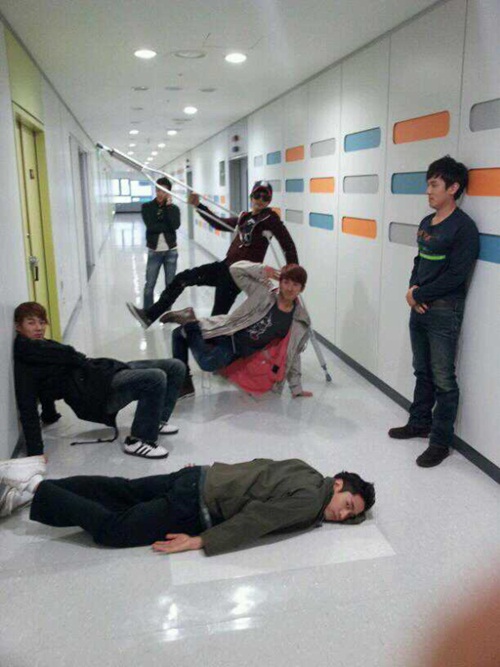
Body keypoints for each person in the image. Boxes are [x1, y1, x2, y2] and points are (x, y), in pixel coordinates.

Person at [0, 455, 375, 556]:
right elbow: (258, 518)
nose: (342, 514)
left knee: (120, 490)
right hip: (195, 504)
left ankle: (28, 486)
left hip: (198, 476)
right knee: (116, 529)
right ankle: (35, 486)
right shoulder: (311, 501)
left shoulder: (306, 470)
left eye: (350, 515)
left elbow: (258, 467)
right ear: (337, 484)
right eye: (347, 504)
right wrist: (201, 540)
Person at [388, 156, 479, 468]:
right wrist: (413, 289)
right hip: (420, 305)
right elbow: (420, 260)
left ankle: (440, 442)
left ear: (453, 188)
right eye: (428, 184)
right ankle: (419, 423)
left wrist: (419, 295)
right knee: (422, 370)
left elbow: (456, 275)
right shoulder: (427, 223)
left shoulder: (464, 228)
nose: (428, 191)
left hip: (443, 310)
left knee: (443, 378)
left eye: (434, 185)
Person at [14, 302, 186, 460]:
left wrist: (49, 415)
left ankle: (156, 421)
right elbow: (27, 407)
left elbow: (49, 389)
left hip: (101, 372)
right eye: (31, 323)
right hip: (97, 393)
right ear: (18, 326)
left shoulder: (41, 345)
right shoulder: (27, 363)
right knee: (156, 377)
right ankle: (139, 440)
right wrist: (36, 454)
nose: (39, 328)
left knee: (176, 366)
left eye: (41, 322)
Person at [126, 180, 299, 326]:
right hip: (224, 267)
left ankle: (201, 334)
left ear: (269, 200)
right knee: (181, 279)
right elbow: (218, 223)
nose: (260, 200)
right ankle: (150, 316)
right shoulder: (244, 217)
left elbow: (288, 245)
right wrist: (199, 206)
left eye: (265, 197)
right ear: (251, 196)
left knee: (215, 321)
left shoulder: (270, 219)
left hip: (237, 276)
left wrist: (293, 273)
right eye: (257, 195)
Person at [163, 260, 313, 399]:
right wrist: (261, 270)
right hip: (226, 329)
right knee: (179, 336)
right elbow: (235, 270)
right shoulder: (263, 293)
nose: (289, 288)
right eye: (286, 282)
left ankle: (190, 323)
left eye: (295, 284)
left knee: (202, 357)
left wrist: (296, 389)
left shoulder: (299, 320)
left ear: (302, 288)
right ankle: (184, 384)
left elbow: (293, 353)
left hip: (237, 348)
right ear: (280, 282)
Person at [141, 177, 181, 310]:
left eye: (164, 191)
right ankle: (148, 313)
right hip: (154, 251)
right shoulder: (147, 207)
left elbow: (175, 225)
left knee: (170, 286)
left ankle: (167, 313)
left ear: (169, 193)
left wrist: (168, 207)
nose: (160, 194)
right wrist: (165, 226)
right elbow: (151, 226)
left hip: (171, 252)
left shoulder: (174, 208)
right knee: (149, 284)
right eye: (158, 190)